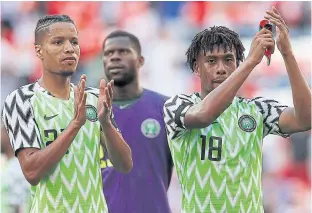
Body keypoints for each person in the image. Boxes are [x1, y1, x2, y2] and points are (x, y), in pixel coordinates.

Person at [163, 6, 311, 213]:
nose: (221, 68)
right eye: (211, 61)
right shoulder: (177, 106)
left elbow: (305, 119)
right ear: (197, 68)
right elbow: (205, 115)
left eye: (228, 60)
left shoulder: (257, 110)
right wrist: (251, 61)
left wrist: (287, 53)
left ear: (236, 64)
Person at [1, 14, 133, 213]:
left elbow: (125, 164)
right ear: (39, 51)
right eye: (58, 42)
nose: (69, 48)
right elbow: (32, 171)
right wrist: (74, 125)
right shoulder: (22, 100)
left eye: (74, 42)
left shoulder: (93, 98)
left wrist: (105, 122)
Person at [100, 30, 174, 213]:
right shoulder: (87, 112)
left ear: (140, 61)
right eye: (109, 53)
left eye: (123, 52)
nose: (115, 57)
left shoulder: (166, 108)